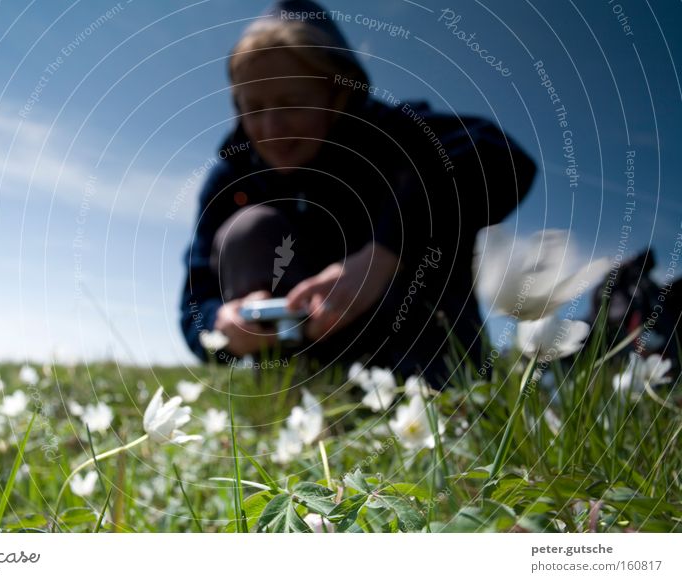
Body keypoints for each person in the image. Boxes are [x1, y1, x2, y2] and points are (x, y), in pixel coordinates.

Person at [179, 0, 536, 385]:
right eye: (254, 108)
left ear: (337, 96)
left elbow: (503, 158)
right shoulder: (231, 181)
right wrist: (222, 325)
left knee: (428, 178)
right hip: (312, 377)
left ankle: (440, 384)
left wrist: (387, 251)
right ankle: (293, 396)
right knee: (247, 228)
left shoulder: (389, 133)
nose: (272, 126)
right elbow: (195, 301)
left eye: (292, 103)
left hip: (419, 355)